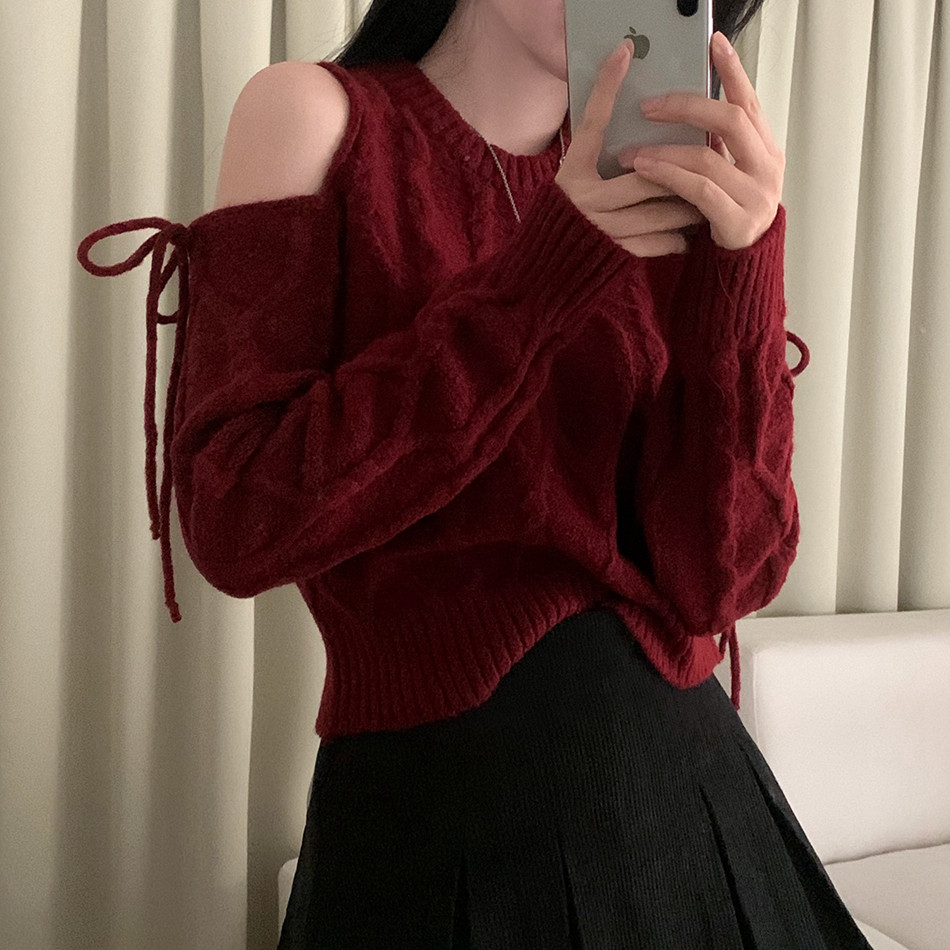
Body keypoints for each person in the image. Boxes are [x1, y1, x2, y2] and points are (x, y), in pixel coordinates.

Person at [77, 0, 873, 947]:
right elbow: (239, 518)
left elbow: (721, 581)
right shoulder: (315, 116)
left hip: (690, 798)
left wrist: (746, 269)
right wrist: (542, 278)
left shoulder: (661, 175)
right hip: (435, 807)